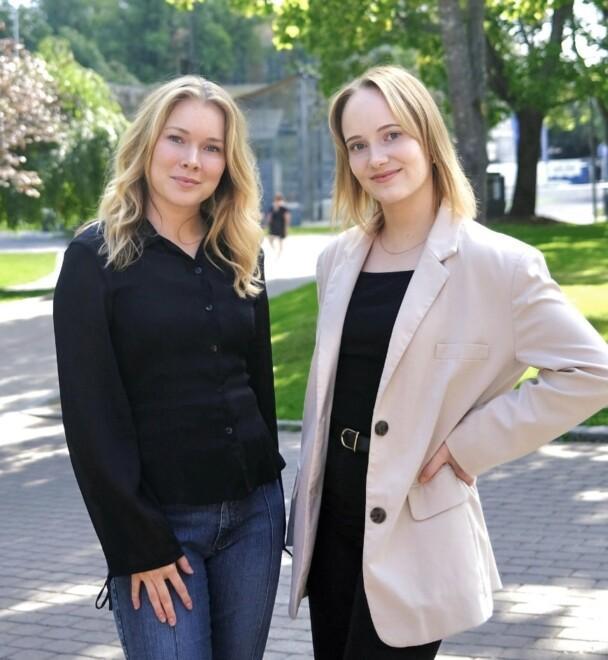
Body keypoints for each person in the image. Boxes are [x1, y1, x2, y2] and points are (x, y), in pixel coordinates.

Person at [286, 65, 608, 659]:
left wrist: (467, 445)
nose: (375, 157)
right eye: (357, 145)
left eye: (392, 135)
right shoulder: (338, 259)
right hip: (331, 520)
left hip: (415, 527)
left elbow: (592, 373)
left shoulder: (499, 265)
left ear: (428, 138)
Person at [53, 75, 285, 660]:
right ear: (147, 144)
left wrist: (274, 489)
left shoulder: (239, 252)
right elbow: (91, 420)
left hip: (254, 518)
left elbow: (260, 384)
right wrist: (137, 544)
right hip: (160, 528)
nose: (192, 160)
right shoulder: (93, 259)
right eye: (176, 139)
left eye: (211, 148)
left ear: (227, 164)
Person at [265, 192, 291, 257]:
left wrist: (286, 228)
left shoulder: (284, 208)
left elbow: (287, 218)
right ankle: (275, 251)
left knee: (280, 241)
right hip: (274, 226)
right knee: (270, 238)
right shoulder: (273, 207)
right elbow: (269, 217)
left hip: (281, 226)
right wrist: (267, 224)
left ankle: (279, 254)